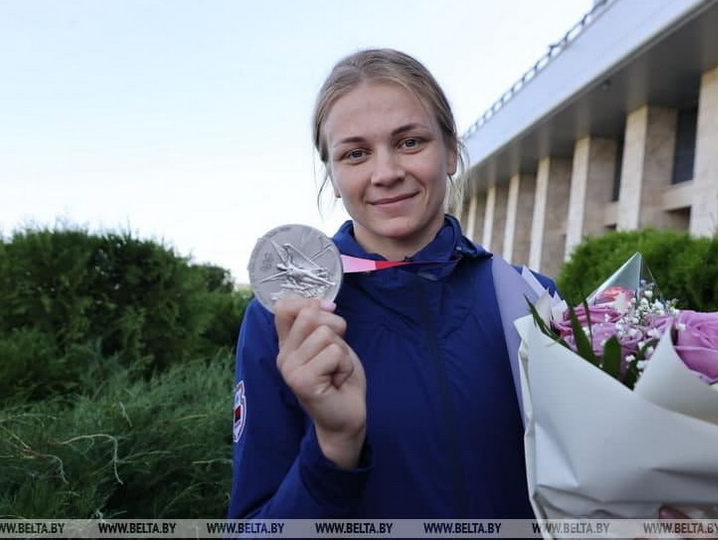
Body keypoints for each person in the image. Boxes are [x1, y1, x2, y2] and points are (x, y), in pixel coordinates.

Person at [228, 47, 557, 520]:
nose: (385, 174)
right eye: (355, 153)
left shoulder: (533, 300)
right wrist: (334, 450)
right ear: (334, 177)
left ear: (450, 151)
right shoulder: (285, 318)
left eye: (409, 142)